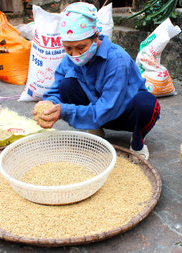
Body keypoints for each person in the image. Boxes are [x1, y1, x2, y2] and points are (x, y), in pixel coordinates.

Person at [33, 2, 160, 160]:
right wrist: (49, 105)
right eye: (68, 48)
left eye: (81, 47)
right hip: (98, 113)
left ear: (96, 38)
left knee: (147, 104)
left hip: (124, 114)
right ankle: (95, 127)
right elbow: (55, 90)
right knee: (67, 85)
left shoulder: (117, 60)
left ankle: (137, 141)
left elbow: (108, 107)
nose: (75, 54)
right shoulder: (70, 59)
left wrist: (64, 111)